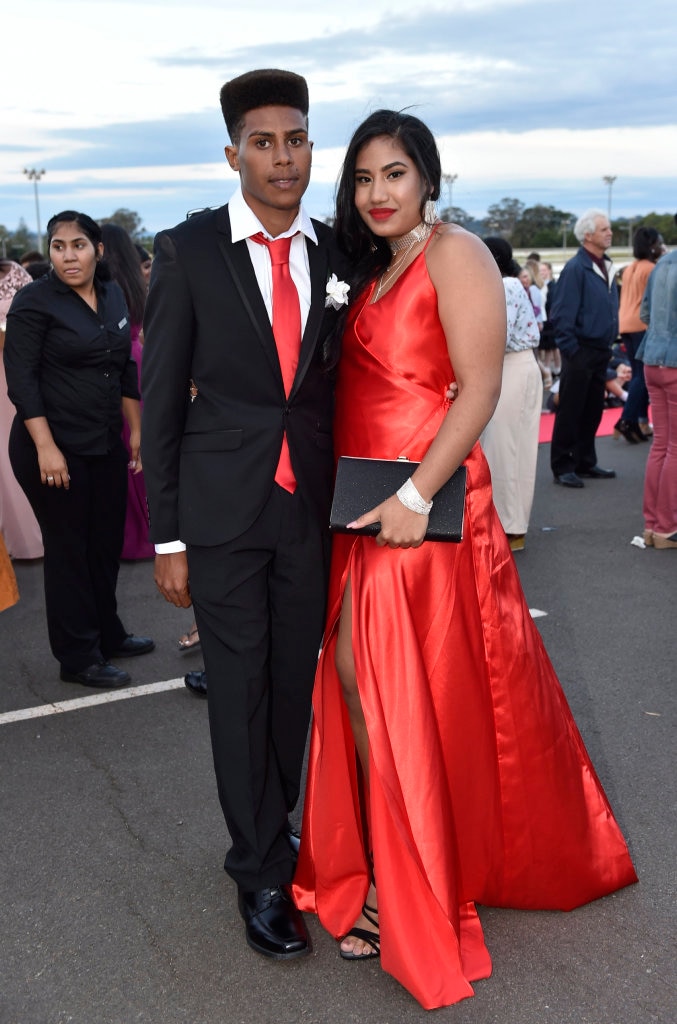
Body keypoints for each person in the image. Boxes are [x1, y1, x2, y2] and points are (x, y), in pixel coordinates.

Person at [291, 110, 637, 1010]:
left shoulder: (455, 255)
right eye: (364, 177)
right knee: (366, 682)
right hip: (363, 511)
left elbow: (478, 388)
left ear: (428, 179)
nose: (377, 193)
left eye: (395, 174)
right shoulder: (373, 265)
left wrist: (412, 499)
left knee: (386, 684)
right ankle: (396, 859)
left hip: (425, 511)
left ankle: (406, 883)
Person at [141, 69, 349, 960]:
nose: (281, 157)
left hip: (309, 512)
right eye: (262, 143)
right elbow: (158, 402)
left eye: (295, 139)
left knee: (293, 686)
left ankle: (278, 824)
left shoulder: (340, 254)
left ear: (311, 148)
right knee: (239, 688)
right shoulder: (188, 250)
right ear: (233, 156)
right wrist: (167, 533)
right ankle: (259, 870)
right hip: (220, 515)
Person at [4, 211, 154, 688]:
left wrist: (136, 431)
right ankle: (77, 657)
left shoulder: (112, 294)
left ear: (99, 249)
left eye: (78, 245)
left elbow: (126, 371)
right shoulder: (34, 302)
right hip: (52, 447)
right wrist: (46, 447)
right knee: (70, 551)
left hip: (105, 441)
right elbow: (22, 383)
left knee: (104, 545)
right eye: (58, 246)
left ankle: (106, 634)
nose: (68, 256)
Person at [549, 209, 618, 488]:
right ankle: (563, 465)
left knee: (593, 410)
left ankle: (585, 461)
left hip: (600, 350)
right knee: (571, 409)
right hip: (580, 350)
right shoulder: (576, 268)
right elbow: (562, 314)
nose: (610, 232)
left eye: (609, 228)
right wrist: (572, 350)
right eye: (604, 229)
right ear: (587, 235)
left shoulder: (606, 265)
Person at [481, 238, 542, 551]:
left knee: (508, 452)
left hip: (511, 367)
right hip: (508, 367)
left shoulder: (505, 286)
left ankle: (510, 526)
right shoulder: (506, 284)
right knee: (502, 449)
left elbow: (496, 336)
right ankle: (506, 524)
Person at [100, 222, 155, 560]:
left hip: (118, 366)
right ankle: (150, 530)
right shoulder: (136, 284)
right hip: (140, 360)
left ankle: (131, 537)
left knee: (126, 449)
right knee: (141, 447)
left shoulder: (105, 287)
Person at [0, 259, 44, 559]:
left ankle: (30, 540)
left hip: (16, 371)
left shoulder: (15, 271)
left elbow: (38, 318)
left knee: (12, 450)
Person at [637, 233, 677, 549]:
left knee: (662, 443)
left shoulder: (662, 263)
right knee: (674, 447)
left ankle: (653, 525)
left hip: (652, 359)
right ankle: (667, 527)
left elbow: (645, 314)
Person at [615, 226, 663, 443]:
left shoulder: (630, 268)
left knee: (638, 375)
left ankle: (639, 421)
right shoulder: (651, 268)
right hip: (641, 325)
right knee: (642, 376)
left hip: (625, 323)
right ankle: (627, 418)